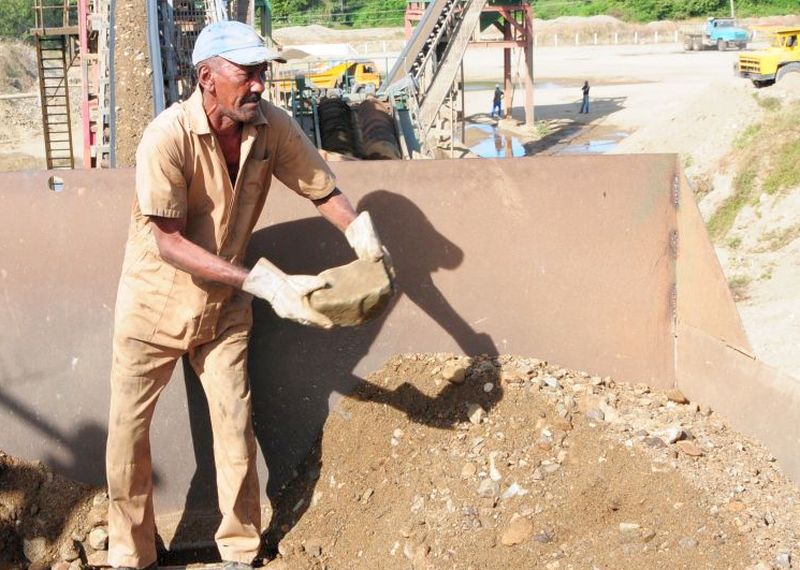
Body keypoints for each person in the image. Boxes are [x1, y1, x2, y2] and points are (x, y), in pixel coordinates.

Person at [105, 20, 387, 570]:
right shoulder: (166, 138)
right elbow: (167, 241)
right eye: (247, 73)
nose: (259, 85)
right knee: (127, 439)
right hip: (153, 307)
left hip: (224, 308)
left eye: (263, 73)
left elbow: (322, 187)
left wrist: (359, 232)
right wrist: (261, 282)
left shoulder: (269, 127)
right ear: (207, 77)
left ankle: (238, 551)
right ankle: (130, 555)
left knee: (235, 428)